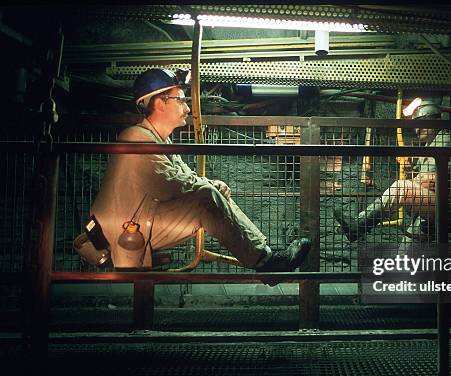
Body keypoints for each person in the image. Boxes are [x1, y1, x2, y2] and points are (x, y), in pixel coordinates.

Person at [78, 68, 311, 274]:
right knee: (205, 197)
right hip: (120, 233)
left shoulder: (158, 140)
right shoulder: (135, 138)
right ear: (159, 104)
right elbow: (168, 186)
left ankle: (265, 257)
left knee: (210, 193)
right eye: (180, 100)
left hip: (141, 222)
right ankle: (265, 261)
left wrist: (209, 183)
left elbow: (181, 177)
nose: (187, 107)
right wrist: (208, 187)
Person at [334, 99, 447, 242]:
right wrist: (409, 170)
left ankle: (359, 225)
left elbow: (434, 180)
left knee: (401, 188)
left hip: (446, 205)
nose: (416, 129)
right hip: (429, 207)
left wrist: (418, 180)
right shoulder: (428, 147)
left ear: (431, 121)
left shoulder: (445, 139)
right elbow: (424, 181)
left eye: (419, 123)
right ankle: (358, 225)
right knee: (405, 251)